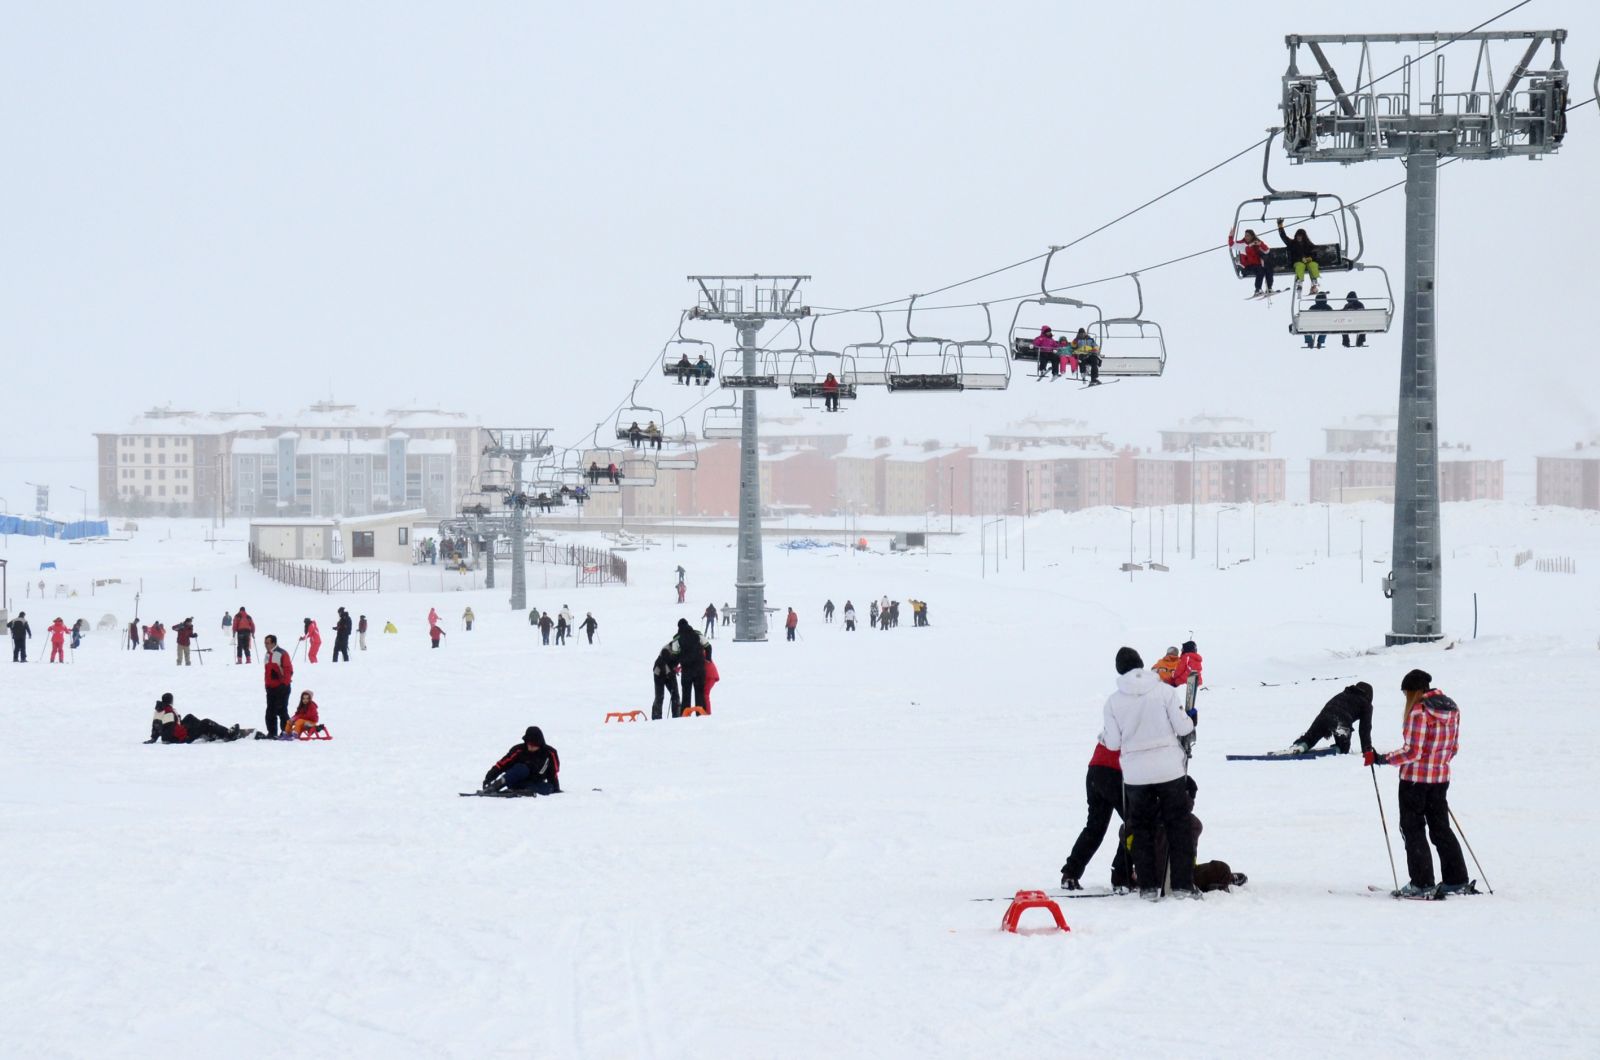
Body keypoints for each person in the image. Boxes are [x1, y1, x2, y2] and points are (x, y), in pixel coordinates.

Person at [1100, 646, 1198, 900]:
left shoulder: (1113, 702)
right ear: (1142, 664)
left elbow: (1112, 743)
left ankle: (1147, 887)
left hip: (1135, 775)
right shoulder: (1163, 691)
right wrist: (1190, 718)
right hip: (1169, 769)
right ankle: (1182, 886)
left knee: (1140, 828)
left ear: (1119, 671)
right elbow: (1183, 726)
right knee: (1178, 825)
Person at [1367, 669, 1471, 897]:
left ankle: (1422, 882)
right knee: (1441, 828)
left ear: (1413, 692)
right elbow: (1453, 748)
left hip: (1414, 782)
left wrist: (1383, 759)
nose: (1406, 699)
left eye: (1406, 694)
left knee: (1413, 830)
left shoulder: (1419, 712)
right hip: (1440, 780)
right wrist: (1437, 764)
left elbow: (1413, 751)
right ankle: (1456, 879)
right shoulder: (1451, 708)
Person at [1060, 736, 1127, 890]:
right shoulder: (1137, 713)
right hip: (1117, 771)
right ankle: (1122, 876)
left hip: (1096, 768)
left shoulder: (1114, 712)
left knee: (1095, 828)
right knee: (1137, 824)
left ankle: (1070, 874)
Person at [1290, 682, 1374, 756]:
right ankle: (1337, 750)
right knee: (1343, 748)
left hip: (1324, 714)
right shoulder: (1366, 704)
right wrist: (1367, 750)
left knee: (1311, 737)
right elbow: (1365, 729)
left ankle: (1301, 746)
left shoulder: (1344, 693)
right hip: (1341, 720)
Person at [483, 726, 561, 794]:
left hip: (533, 783)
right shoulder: (518, 750)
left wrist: (555, 788)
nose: (531, 747)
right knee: (522, 768)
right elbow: (502, 764)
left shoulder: (550, 753)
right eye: (529, 744)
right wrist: (489, 778)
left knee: (548, 788)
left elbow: (553, 773)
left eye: (534, 745)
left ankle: (522, 791)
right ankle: (495, 786)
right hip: (514, 779)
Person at [148, 693, 249, 744]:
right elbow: (171, 729)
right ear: (171, 701)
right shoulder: (168, 712)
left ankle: (207, 732)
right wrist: (185, 733)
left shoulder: (159, 711)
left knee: (189, 717)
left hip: (173, 735)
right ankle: (228, 734)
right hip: (179, 738)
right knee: (206, 722)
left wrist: (153, 738)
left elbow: (157, 726)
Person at [1276, 219, 1322, 293]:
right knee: (1300, 266)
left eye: (1301, 236)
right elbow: (1283, 236)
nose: (1299, 237)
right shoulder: (1292, 243)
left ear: (1304, 237)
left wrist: (1309, 258)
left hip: (1308, 261)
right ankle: (1299, 281)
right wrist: (1280, 226)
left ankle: (1314, 282)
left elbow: (1315, 253)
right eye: (1298, 236)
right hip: (1297, 261)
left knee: (1313, 265)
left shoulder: (1309, 244)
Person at [262, 634, 294, 739]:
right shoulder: (267, 655)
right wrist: (267, 685)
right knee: (270, 712)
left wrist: (284, 684)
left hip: (282, 688)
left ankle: (286, 732)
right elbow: (267, 672)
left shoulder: (282, 653)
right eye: (265, 643)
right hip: (270, 688)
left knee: (282, 710)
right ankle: (272, 733)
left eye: (267, 643)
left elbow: (288, 670)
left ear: (273, 643)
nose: (265, 645)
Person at [672, 618, 707, 713]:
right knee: (699, 693)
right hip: (700, 668)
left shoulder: (677, 638)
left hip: (687, 670)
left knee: (686, 695)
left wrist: (675, 667)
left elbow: (675, 655)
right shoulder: (697, 633)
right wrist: (707, 660)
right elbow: (708, 646)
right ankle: (701, 714)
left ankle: (685, 715)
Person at [1231, 227, 1275, 297]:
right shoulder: (1242, 245)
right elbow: (1232, 245)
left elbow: (1267, 251)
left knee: (1268, 269)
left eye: (1248, 235)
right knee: (1260, 270)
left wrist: (1260, 244)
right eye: (1245, 235)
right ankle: (1258, 289)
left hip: (1258, 264)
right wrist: (1231, 236)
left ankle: (1269, 288)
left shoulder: (1257, 243)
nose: (1246, 237)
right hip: (1248, 266)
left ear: (1252, 236)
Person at [651, 643, 681, 720]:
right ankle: (656, 717)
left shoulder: (680, 648)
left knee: (675, 695)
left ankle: (677, 716)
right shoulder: (666, 650)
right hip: (659, 673)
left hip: (670, 673)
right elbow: (662, 663)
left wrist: (674, 669)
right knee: (659, 696)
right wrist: (669, 673)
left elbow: (674, 662)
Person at [703, 643, 720, 713]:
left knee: (705, 694)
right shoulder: (702, 651)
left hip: (710, 675)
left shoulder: (700, 652)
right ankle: (705, 711)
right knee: (704, 694)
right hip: (711, 675)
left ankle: (707, 712)